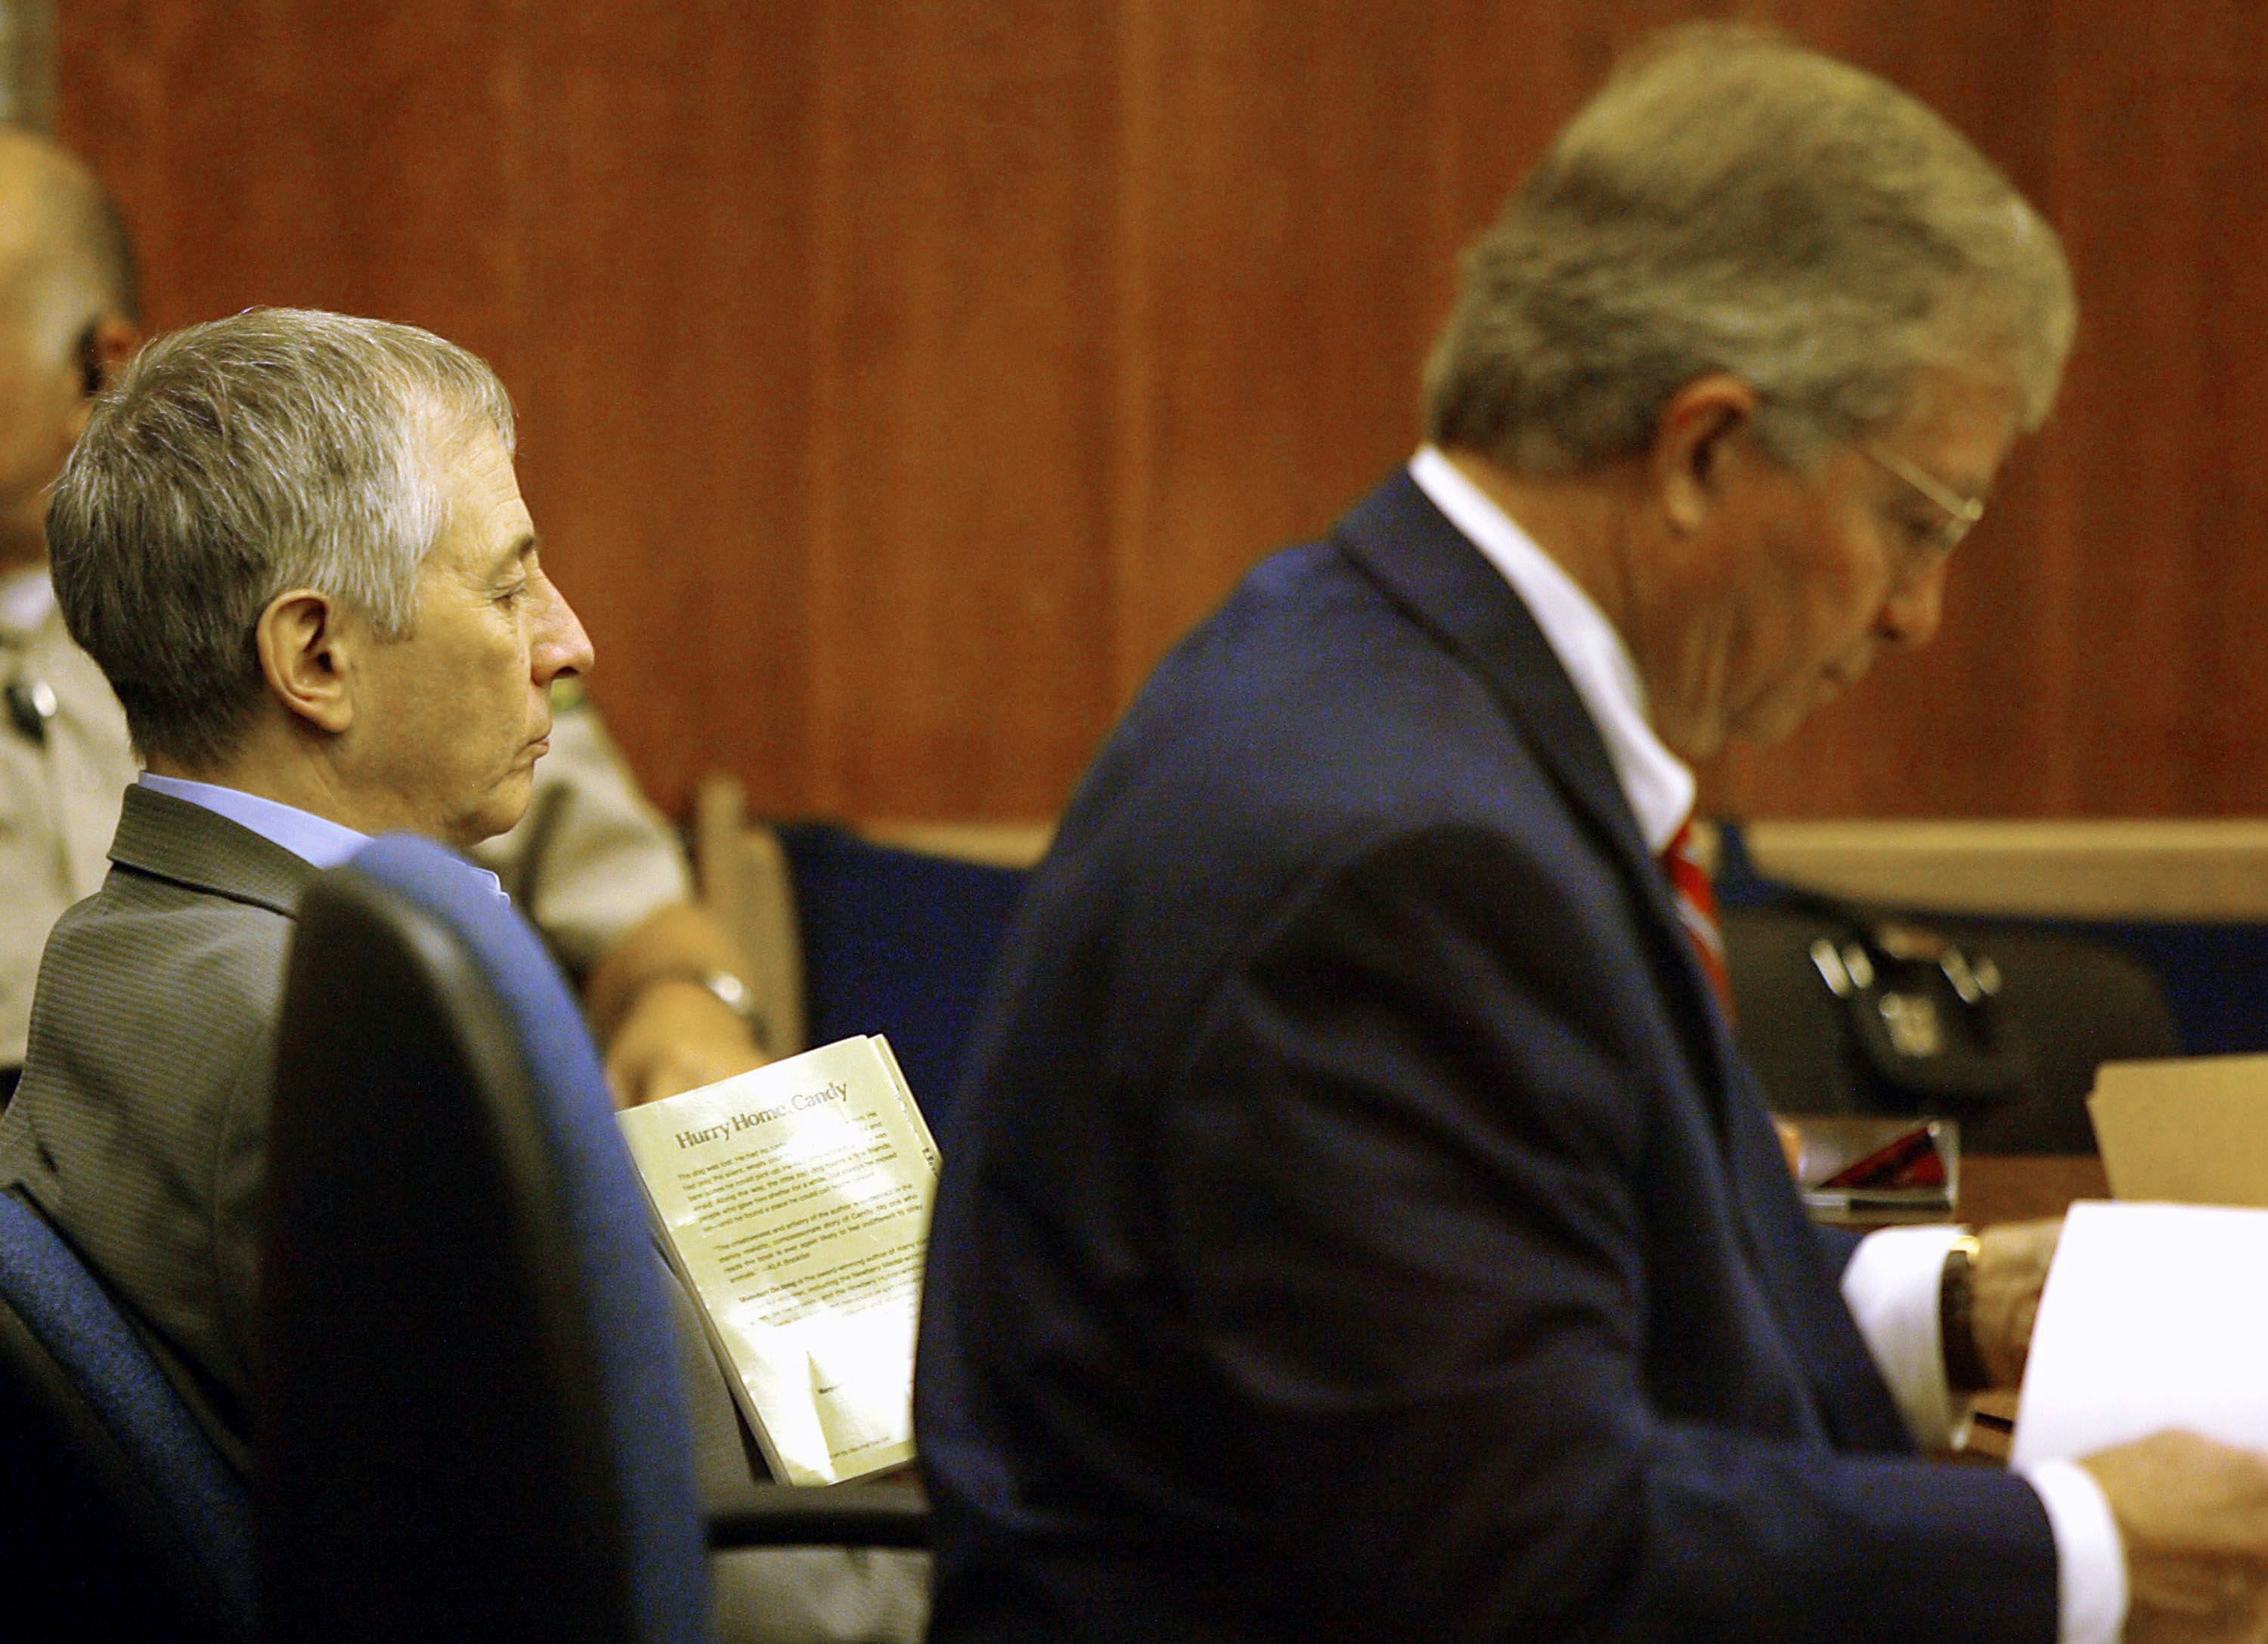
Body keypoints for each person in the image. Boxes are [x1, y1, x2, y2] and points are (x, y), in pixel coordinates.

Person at [916, 27, 2268, 1644]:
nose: (1919, 612)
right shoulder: (1404, 854)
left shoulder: (1377, 671)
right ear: (1701, 451)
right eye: (1917, 521)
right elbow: (1533, 1559)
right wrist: (2089, 1550)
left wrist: (1954, 1302)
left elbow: (1549, 1286)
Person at [0, 308, 923, 1640]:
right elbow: (715, 1604)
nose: (570, 642)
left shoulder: (115, 955)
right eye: (507, 590)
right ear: (316, 657)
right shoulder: (372, 1065)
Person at [0, 128, 767, 1110]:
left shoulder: (369, 604)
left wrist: (687, 1000)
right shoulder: (198, 635)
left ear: (98, 367)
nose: (568, 644)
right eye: (507, 589)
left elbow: (634, 905)